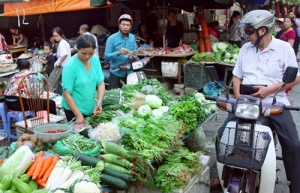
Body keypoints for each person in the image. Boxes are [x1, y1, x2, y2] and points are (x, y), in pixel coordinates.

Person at [230, 10, 300, 193]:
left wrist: (269, 90)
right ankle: (226, 174)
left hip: (275, 102)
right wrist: (239, 99)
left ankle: (296, 186)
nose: (246, 36)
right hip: (248, 103)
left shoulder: (284, 48)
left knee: (293, 144)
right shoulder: (245, 49)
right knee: (227, 134)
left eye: (249, 32)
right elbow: (237, 76)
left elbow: (296, 77)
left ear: (262, 30)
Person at [61, 34, 105, 123]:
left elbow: (100, 83)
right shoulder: (70, 66)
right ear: (77, 49)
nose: (87, 56)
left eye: (91, 53)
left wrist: (99, 101)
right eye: (84, 53)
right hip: (73, 110)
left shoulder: (95, 61)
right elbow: (67, 94)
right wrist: (78, 115)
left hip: (90, 108)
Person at [104, 14, 137, 89]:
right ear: (119, 24)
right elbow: (106, 56)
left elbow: (134, 51)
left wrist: (134, 55)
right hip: (116, 73)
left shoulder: (132, 37)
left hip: (129, 73)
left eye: (128, 25)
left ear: (131, 26)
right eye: (123, 24)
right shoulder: (111, 38)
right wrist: (118, 53)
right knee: (113, 96)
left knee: (129, 96)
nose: (125, 27)